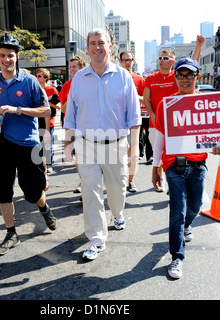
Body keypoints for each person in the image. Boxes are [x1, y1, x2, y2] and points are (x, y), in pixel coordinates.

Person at [64, 28, 141, 261]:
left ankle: (117, 213)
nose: (97, 47)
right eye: (92, 43)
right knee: (91, 192)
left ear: (110, 47)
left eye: (101, 43)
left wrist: (134, 149)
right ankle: (97, 238)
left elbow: (134, 117)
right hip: (86, 144)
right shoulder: (78, 79)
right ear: (86, 49)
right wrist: (69, 144)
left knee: (117, 189)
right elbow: (71, 115)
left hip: (116, 144)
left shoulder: (123, 76)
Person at [0, 33, 57, 257]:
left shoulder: (29, 82)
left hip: (28, 143)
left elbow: (47, 110)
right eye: (3, 55)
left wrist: (17, 110)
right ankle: (11, 233)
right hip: (4, 142)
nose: (7, 60)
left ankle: (43, 208)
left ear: (17, 57)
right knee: (1, 190)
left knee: (33, 191)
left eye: (11, 56)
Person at [153, 57, 220, 279]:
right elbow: (160, 136)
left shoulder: (205, 104)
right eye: (181, 75)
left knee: (194, 206)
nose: (185, 79)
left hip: (198, 165)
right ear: (175, 77)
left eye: (189, 75)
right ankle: (177, 257)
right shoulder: (166, 104)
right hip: (174, 165)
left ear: (197, 77)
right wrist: (155, 166)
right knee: (177, 212)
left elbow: (214, 137)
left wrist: (217, 147)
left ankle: (188, 224)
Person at [145, 35, 205, 193]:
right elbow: (146, 99)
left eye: (165, 57)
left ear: (173, 61)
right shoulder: (151, 78)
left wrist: (198, 46)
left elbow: (193, 65)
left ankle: (173, 180)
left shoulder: (178, 75)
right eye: (160, 57)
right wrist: (152, 114)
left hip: (179, 122)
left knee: (176, 151)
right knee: (161, 151)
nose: (161, 60)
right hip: (157, 121)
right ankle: (164, 177)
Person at [60, 55, 87, 194]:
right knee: (78, 156)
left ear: (82, 68)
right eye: (70, 67)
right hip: (72, 126)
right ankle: (83, 181)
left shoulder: (89, 82)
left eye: (74, 67)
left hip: (88, 126)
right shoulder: (66, 86)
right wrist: (72, 97)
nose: (71, 70)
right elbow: (63, 109)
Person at [120, 50, 145, 193]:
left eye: (130, 60)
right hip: (117, 120)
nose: (127, 63)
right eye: (125, 60)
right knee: (118, 151)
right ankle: (119, 179)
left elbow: (146, 99)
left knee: (133, 151)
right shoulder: (115, 77)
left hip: (134, 119)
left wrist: (134, 95)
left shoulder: (139, 80)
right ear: (121, 62)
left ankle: (131, 181)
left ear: (133, 61)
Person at [36, 68, 61, 173]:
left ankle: (49, 164)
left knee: (47, 144)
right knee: (37, 144)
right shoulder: (34, 89)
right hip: (36, 120)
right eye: (36, 76)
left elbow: (58, 106)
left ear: (45, 78)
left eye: (39, 76)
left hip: (48, 121)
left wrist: (47, 101)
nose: (37, 78)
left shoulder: (52, 90)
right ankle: (40, 165)